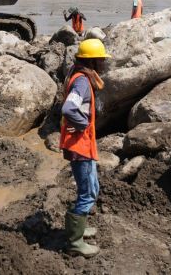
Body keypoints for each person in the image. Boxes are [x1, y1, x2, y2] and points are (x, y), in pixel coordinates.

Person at [59, 38, 110, 257]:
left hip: (82, 143)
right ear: (93, 62)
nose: (104, 64)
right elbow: (69, 108)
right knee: (88, 193)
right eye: (101, 60)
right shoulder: (82, 82)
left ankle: (79, 228)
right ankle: (74, 242)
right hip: (80, 145)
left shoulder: (81, 75)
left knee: (92, 188)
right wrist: (82, 125)